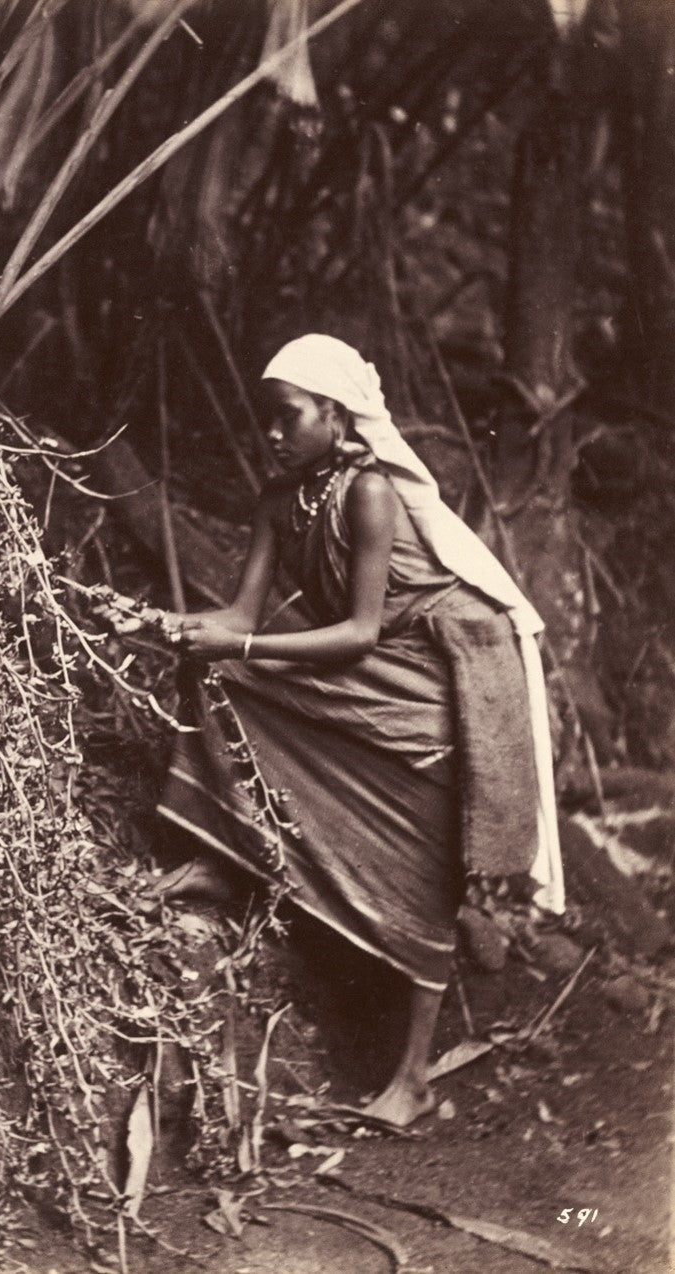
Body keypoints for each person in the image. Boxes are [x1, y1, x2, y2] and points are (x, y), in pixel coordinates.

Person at [157, 334, 563, 1129]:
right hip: (377, 672)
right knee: (214, 670)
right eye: (265, 420)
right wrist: (166, 623)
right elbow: (238, 617)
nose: (272, 434)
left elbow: (361, 632)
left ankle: (410, 1080)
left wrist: (235, 642)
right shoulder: (278, 500)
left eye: (288, 417)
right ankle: (223, 852)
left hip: (441, 679)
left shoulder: (369, 492)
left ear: (336, 416)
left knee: (422, 867)